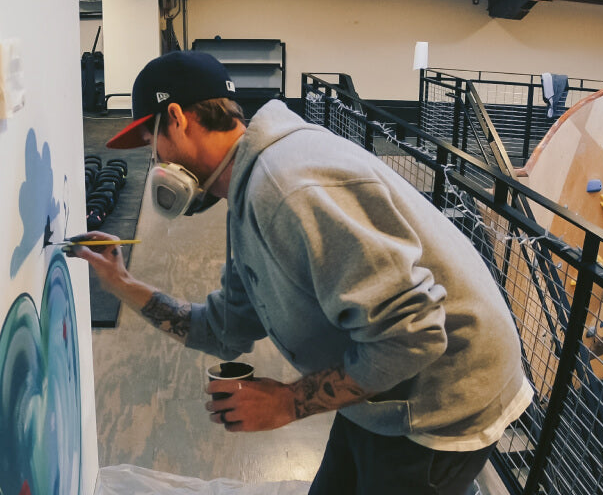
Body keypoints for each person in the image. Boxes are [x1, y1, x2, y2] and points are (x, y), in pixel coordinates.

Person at [72, 51, 532, 495]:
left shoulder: (287, 188)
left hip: (441, 400)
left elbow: (412, 336)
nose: (155, 160)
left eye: (152, 142)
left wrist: (288, 402)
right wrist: (124, 285)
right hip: (379, 389)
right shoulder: (247, 191)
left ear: (176, 118)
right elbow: (224, 328)